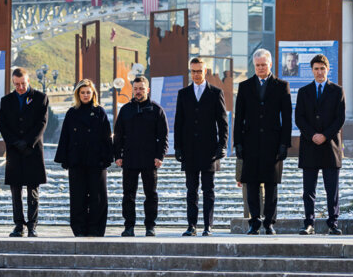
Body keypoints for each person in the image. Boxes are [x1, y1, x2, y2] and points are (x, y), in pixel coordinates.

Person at [233, 49, 292, 235]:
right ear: (254, 65)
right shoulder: (244, 86)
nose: (260, 68)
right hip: (250, 142)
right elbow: (238, 117)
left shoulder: (282, 86)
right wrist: (238, 143)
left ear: (270, 65)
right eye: (257, 65)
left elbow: (287, 118)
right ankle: (254, 221)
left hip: (273, 143)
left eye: (263, 65)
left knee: (271, 184)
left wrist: (284, 144)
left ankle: (269, 222)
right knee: (251, 183)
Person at [174, 57, 227, 236]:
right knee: (191, 190)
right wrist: (178, 147)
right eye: (193, 71)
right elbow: (178, 122)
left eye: (199, 71)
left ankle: (208, 226)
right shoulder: (183, 94)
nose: (196, 74)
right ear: (190, 72)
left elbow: (223, 122)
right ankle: (192, 225)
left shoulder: (215, 93)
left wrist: (222, 145)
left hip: (209, 151)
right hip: (189, 150)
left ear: (205, 72)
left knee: (208, 189)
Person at [294, 54, 346, 235]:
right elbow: (299, 118)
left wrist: (324, 135)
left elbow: (340, 118)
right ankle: (309, 223)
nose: (319, 72)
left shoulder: (337, 91)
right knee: (309, 189)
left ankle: (333, 223)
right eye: (316, 69)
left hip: (330, 146)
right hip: (310, 146)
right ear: (312, 70)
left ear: (328, 69)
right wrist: (313, 135)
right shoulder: (304, 92)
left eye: (322, 68)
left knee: (332, 189)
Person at [54, 79, 113, 236]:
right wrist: (64, 159)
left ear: (93, 93)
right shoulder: (72, 113)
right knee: (78, 197)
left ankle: (96, 228)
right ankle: (79, 229)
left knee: (98, 197)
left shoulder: (100, 112)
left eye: (88, 92)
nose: (85, 95)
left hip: (97, 161)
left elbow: (107, 136)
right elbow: (65, 137)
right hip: (77, 161)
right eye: (82, 92)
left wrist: (107, 158)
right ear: (77, 94)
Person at [113, 76, 168, 236]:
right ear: (132, 90)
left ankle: (150, 226)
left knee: (150, 194)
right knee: (128, 195)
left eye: (141, 89)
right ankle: (129, 226)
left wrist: (160, 156)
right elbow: (118, 134)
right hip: (129, 159)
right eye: (136, 89)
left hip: (150, 160)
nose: (138, 92)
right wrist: (118, 155)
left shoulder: (157, 110)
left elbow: (163, 136)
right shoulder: (125, 110)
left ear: (147, 90)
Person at [0, 68, 49, 237]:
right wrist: (14, 142)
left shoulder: (41, 98)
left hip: (32, 150)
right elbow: (2, 123)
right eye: (16, 84)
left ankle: (32, 225)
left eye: (23, 83)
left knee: (33, 191)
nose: (20, 87)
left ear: (28, 81)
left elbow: (42, 123)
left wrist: (27, 142)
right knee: (16, 191)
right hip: (14, 151)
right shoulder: (6, 101)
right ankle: (19, 225)